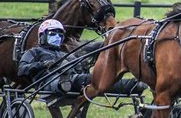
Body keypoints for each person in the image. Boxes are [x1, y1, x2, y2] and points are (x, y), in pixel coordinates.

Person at [17, 18, 147, 101]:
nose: (56, 37)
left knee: (100, 80)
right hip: (47, 82)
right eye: (52, 34)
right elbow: (22, 70)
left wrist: (82, 65)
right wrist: (43, 64)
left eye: (59, 34)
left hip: (74, 80)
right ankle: (63, 82)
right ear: (43, 36)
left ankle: (133, 86)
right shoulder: (34, 52)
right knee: (84, 79)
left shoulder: (63, 53)